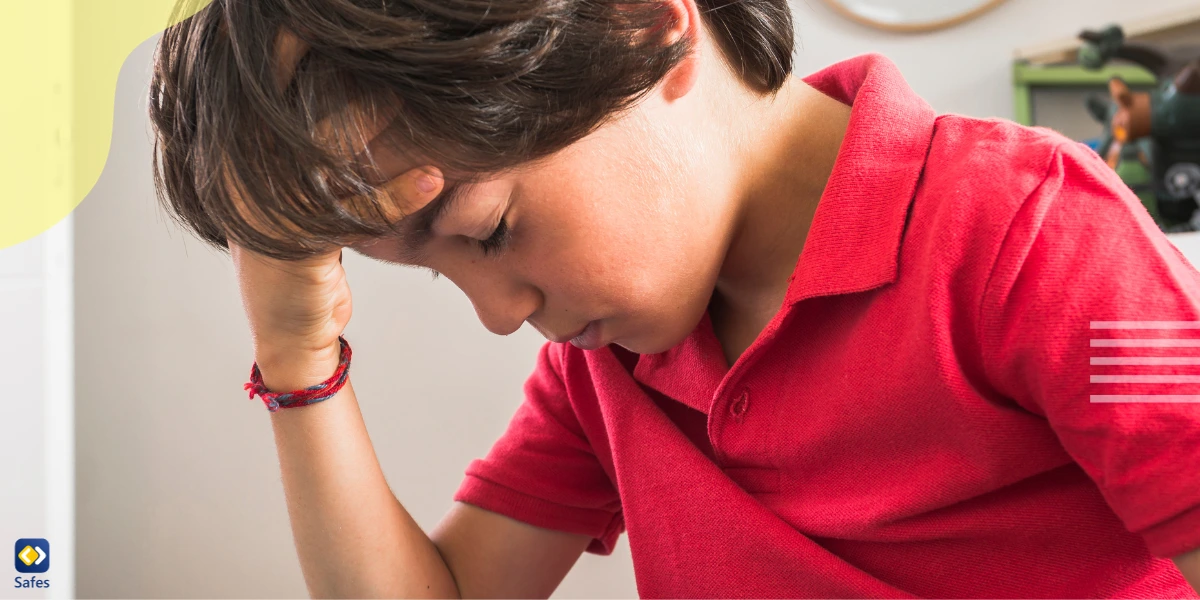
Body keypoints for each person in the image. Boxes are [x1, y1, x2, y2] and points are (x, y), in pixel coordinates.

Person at [148, 0, 1200, 596]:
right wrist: (298, 357)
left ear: (645, 29)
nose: (500, 314)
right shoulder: (602, 368)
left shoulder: (1034, 233)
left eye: (489, 233)